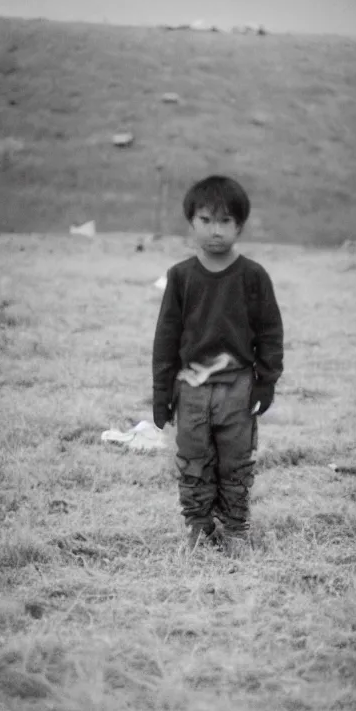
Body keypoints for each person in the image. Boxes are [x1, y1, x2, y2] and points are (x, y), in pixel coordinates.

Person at [152, 175, 284, 557]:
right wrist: (162, 395)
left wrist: (266, 382)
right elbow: (166, 339)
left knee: (236, 462)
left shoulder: (253, 276)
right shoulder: (180, 277)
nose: (215, 230)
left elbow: (270, 333)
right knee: (193, 461)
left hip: (238, 388)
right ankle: (198, 526)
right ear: (191, 222)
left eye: (225, 221)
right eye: (206, 220)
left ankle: (237, 529)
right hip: (190, 388)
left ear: (239, 226)